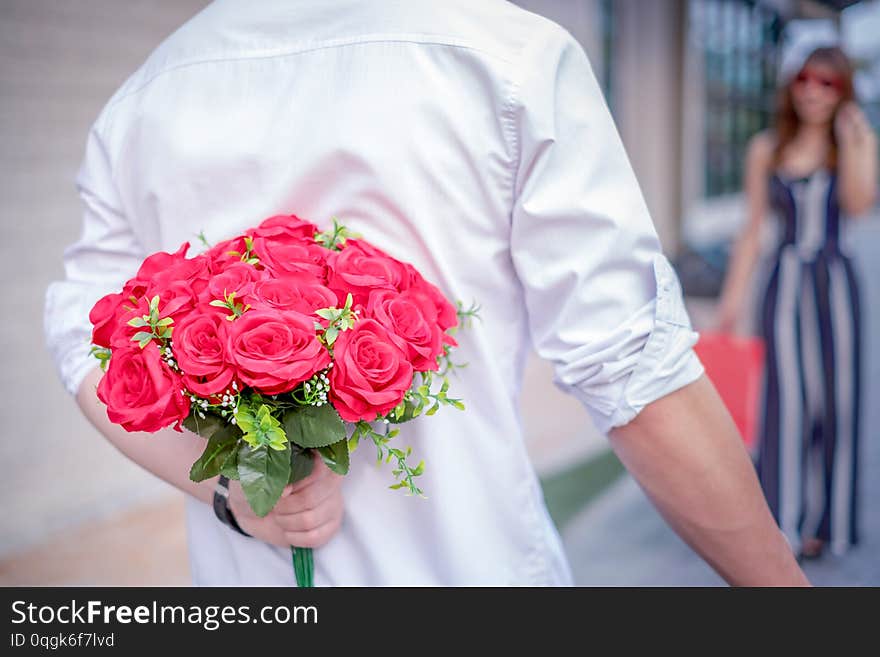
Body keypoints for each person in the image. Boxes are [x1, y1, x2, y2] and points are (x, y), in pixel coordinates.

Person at [45, 0, 807, 586]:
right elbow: (631, 367)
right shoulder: (507, 58)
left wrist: (233, 494)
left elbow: (85, 330)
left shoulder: (149, 91)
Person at [716, 46, 877, 559]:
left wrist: (856, 139)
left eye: (828, 83)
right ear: (792, 86)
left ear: (843, 91)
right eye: (806, 79)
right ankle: (779, 527)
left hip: (836, 281)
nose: (814, 90)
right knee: (784, 405)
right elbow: (751, 230)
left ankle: (831, 526)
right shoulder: (767, 148)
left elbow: (858, 204)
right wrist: (731, 303)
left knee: (840, 404)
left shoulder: (851, 145)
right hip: (783, 282)